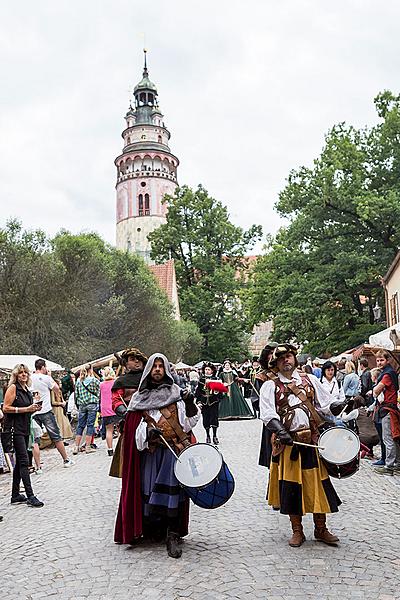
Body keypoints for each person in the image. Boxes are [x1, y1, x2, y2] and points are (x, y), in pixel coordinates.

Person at [114, 353, 200, 558]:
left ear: (167, 370)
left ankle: (172, 533)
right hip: (150, 453)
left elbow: (188, 424)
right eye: (155, 366)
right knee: (149, 490)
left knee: (171, 492)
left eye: (162, 366)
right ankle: (153, 530)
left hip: (172, 452)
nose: (158, 369)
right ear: (149, 370)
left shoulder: (176, 393)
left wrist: (189, 404)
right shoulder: (139, 398)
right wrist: (147, 432)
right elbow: (133, 428)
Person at [260, 344, 343, 547]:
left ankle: (321, 529)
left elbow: (325, 406)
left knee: (318, 486)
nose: (286, 360)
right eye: (281, 359)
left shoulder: (310, 380)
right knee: (291, 488)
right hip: (288, 444)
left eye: (288, 357)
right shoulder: (270, 386)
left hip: (312, 441)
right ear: (275, 363)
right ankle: (297, 531)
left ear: (295, 359)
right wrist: (281, 432)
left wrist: (341, 406)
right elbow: (268, 414)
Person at [3, 364, 44, 507]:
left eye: (25, 372)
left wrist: (33, 409)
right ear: (16, 375)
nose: (23, 375)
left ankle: (15, 495)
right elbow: (5, 408)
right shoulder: (13, 388)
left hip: (25, 428)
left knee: (21, 462)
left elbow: (24, 411)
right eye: (20, 373)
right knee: (24, 461)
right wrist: (26, 408)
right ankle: (30, 495)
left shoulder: (26, 389)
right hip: (15, 430)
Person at [109, 348, 148, 477]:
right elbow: (116, 401)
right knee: (133, 461)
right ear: (125, 363)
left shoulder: (150, 378)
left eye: (139, 359)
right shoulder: (121, 381)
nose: (137, 362)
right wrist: (127, 413)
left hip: (154, 421)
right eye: (132, 359)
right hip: (132, 423)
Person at [31, 359, 73, 468]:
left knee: (35, 439)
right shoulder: (46, 378)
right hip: (45, 410)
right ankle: (66, 460)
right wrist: (50, 376)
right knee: (56, 436)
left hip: (33, 411)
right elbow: (57, 389)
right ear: (43, 367)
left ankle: (38, 466)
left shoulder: (30, 378)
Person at [372, 351, 400, 476]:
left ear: (387, 360)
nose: (379, 363)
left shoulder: (387, 374)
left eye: (381, 360)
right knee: (395, 437)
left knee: (388, 438)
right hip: (391, 408)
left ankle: (389, 466)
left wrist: (374, 390)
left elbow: (376, 390)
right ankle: (398, 464)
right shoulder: (391, 372)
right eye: (377, 360)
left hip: (388, 409)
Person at [73, 365, 100, 455]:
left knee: (80, 425)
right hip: (92, 404)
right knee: (90, 425)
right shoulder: (94, 380)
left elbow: (76, 395)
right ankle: (88, 447)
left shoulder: (78, 381)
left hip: (82, 405)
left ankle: (76, 447)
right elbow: (98, 392)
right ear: (91, 370)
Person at [195, 362, 223, 443]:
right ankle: (207, 436)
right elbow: (198, 392)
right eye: (206, 369)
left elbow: (220, 392)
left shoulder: (216, 379)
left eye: (209, 370)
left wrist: (217, 393)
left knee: (214, 419)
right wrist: (199, 401)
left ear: (212, 371)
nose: (207, 371)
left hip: (213, 402)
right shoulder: (201, 380)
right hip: (204, 403)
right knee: (206, 419)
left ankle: (214, 436)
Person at [99, 367, 118, 456]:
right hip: (115, 407)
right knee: (120, 429)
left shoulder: (101, 384)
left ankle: (110, 449)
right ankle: (121, 448)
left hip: (105, 409)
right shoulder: (115, 383)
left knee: (109, 430)